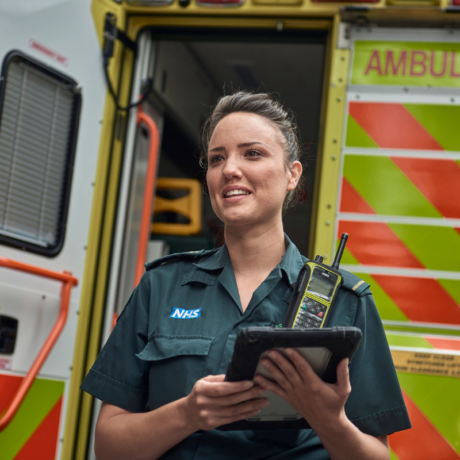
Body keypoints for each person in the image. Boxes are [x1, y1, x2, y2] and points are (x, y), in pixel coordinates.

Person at [81, 92, 411, 460]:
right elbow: (109, 447)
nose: (229, 170)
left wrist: (330, 421)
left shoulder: (346, 301)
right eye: (216, 158)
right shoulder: (161, 286)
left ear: (292, 174)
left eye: (252, 153)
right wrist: (187, 414)